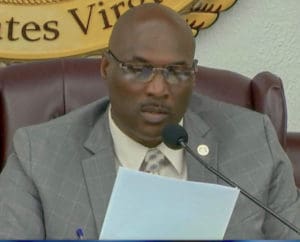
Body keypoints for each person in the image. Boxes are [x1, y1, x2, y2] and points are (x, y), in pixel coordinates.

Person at [0, 3, 300, 240]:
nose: (158, 88)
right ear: (106, 68)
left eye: (176, 71)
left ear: (193, 76)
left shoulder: (253, 143)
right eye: (138, 69)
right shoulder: (38, 155)